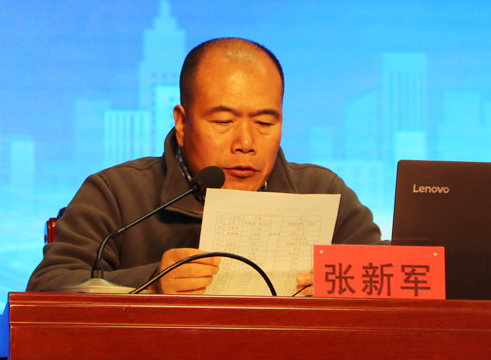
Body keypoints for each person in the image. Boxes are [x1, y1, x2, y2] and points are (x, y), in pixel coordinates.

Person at [26, 37, 382, 294]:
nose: (245, 143)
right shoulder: (116, 194)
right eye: (224, 122)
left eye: (264, 123)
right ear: (182, 123)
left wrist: (342, 286)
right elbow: (48, 287)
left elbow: (392, 277)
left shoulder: (322, 192)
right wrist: (151, 284)